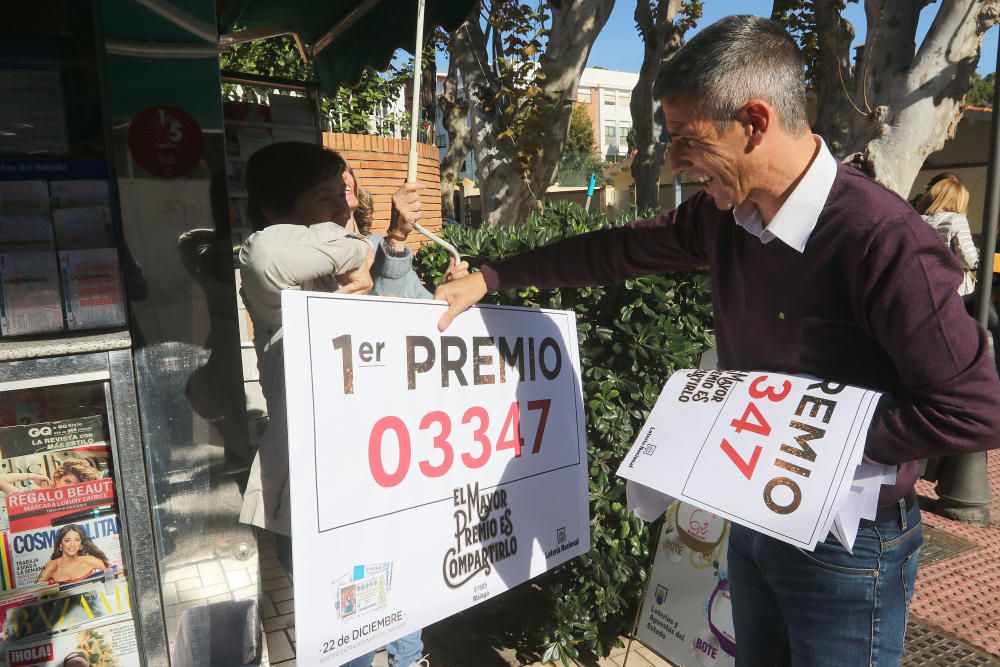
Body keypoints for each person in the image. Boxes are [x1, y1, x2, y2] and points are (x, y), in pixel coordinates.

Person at [434, 15, 1000, 666]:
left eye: (685, 138)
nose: (672, 160)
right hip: (758, 517)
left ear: (754, 122)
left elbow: (975, 408)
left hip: (852, 546)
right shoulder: (725, 218)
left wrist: (806, 440)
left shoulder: (883, 242)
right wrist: (493, 276)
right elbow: (617, 250)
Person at [239, 141, 465, 667]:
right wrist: (362, 249)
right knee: (351, 641)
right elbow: (269, 256)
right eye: (327, 197)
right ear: (275, 211)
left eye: (348, 191)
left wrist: (439, 289)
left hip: (384, 487)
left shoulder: (376, 251)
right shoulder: (273, 272)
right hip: (313, 501)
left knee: (405, 610)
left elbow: (423, 330)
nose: (346, 205)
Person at [914, 174, 979, 296]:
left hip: (922, 285)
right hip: (951, 288)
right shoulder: (957, 220)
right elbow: (968, 257)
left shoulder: (916, 220)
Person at [35, 524, 110, 584]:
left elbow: (112, 577)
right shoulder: (52, 566)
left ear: (81, 546)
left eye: (76, 540)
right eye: (67, 540)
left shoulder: (91, 560)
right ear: (60, 545)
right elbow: (34, 595)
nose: (72, 544)